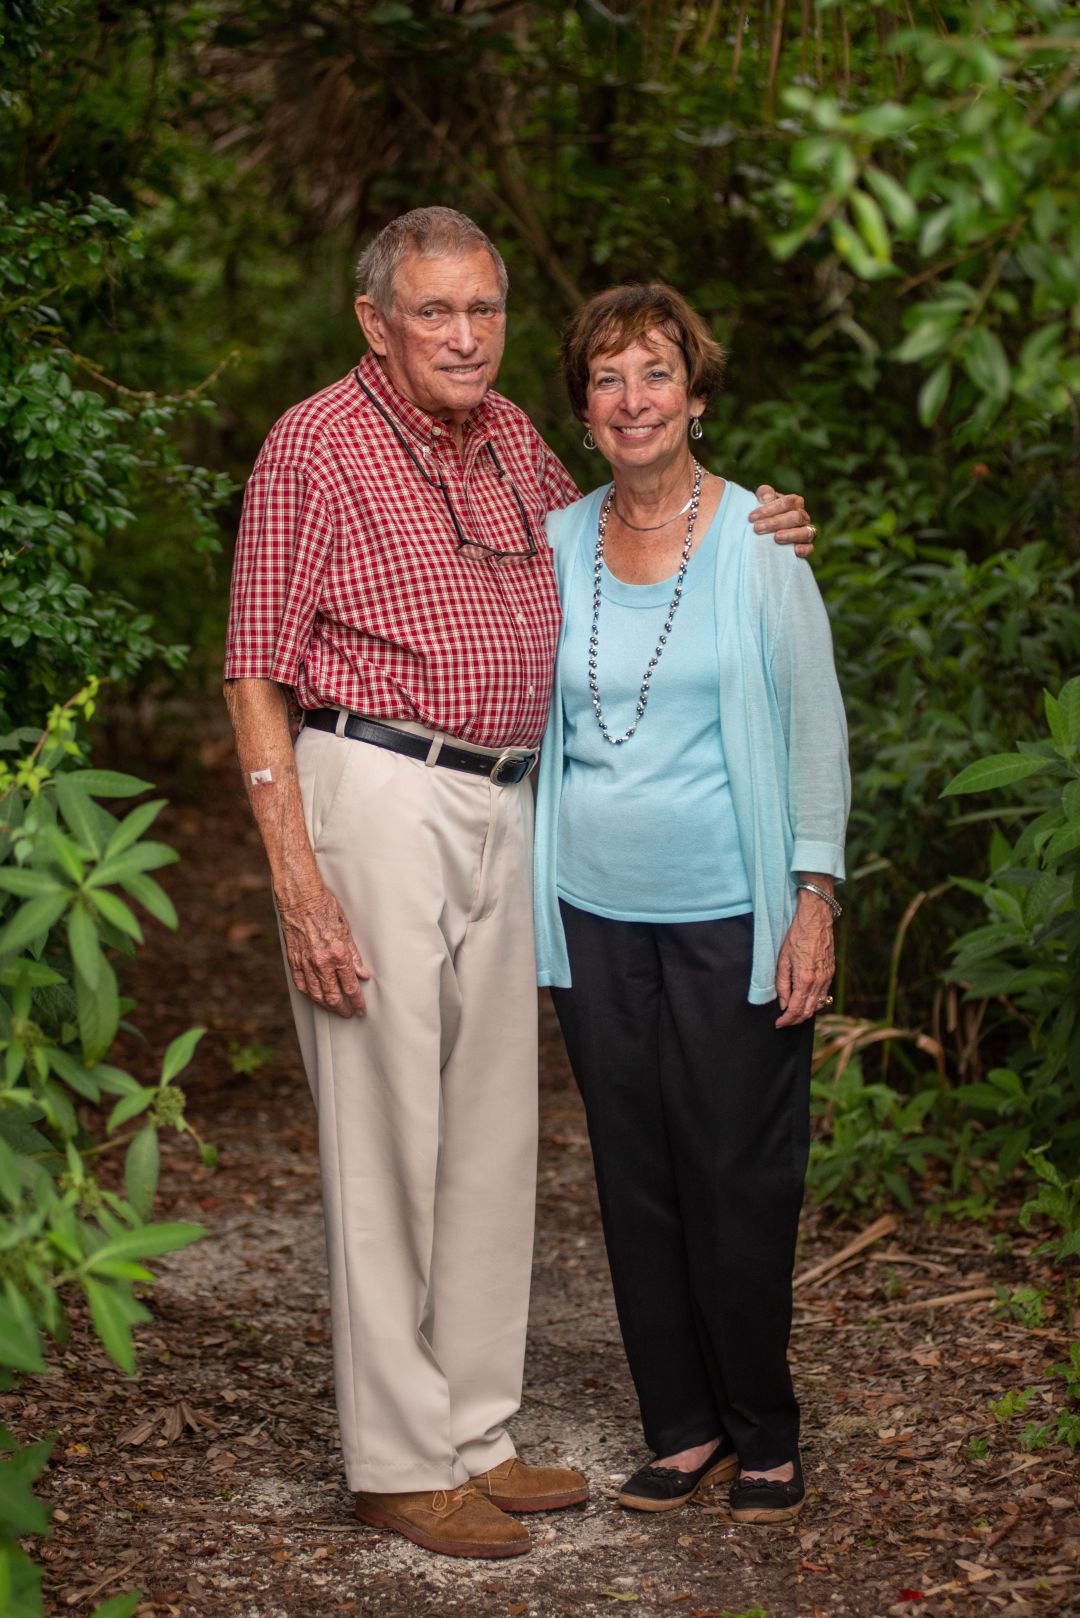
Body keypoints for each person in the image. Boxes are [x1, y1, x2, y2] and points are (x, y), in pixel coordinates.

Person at [223, 207, 817, 1559]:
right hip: (373, 787)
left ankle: (475, 1429)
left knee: (489, 1129)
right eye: (435, 311)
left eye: (483, 309)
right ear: (376, 321)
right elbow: (253, 661)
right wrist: (298, 879)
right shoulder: (312, 445)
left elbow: (632, 535)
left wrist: (754, 520)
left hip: (510, 804)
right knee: (383, 1132)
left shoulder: (512, 446)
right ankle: (392, 1454)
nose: (465, 334)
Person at [533, 283, 849, 1527]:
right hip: (591, 912)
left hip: (734, 909)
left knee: (740, 1168)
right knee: (636, 1170)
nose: (633, 399)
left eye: (654, 373)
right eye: (607, 379)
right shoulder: (554, 542)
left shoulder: (761, 542)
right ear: (585, 409)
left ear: (697, 395)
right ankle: (683, 1425)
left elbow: (816, 727)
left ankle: (765, 1425)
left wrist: (810, 893)